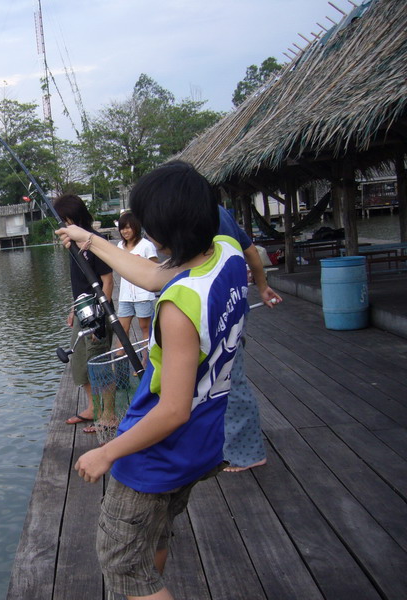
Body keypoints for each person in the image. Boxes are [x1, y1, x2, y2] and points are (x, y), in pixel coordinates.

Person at [56, 161, 249, 600]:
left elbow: (173, 408)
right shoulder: (226, 254)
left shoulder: (178, 308)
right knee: (154, 538)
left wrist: (108, 452)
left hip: (154, 454)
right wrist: (91, 241)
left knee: (123, 565)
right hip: (201, 444)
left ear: (162, 233)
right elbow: (159, 275)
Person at [217, 206, 282, 472]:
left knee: (231, 382)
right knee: (224, 381)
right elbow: (251, 251)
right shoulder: (220, 212)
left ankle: (248, 453)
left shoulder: (206, 215)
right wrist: (263, 286)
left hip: (224, 310)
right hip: (230, 307)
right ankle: (226, 446)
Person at [54, 194, 113, 433]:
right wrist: (73, 309)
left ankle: (108, 415)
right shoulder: (73, 243)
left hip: (97, 313)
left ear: (72, 217)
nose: (61, 224)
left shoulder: (93, 241)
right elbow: (79, 282)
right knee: (79, 362)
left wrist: (101, 316)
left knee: (98, 362)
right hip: (81, 310)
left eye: (63, 219)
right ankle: (93, 408)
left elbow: (108, 281)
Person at [115, 211, 158, 345]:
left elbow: (155, 268)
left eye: (128, 227)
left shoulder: (146, 246)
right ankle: (121, 361)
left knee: (144, 327)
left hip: (143, 295)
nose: (125, 231)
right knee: (122, 328)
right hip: (125, 295)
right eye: (122, 228)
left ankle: (146, 361)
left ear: (136, 227)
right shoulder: (119, 247)